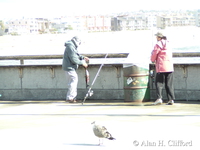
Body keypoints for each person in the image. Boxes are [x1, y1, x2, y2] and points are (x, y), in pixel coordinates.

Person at [62, 36, 89, 103]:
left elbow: (76, 55)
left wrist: (82, 57)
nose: (79, 44)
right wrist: (82, 63)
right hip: (69, 68)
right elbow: (74, 59)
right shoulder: (70, 47)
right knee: (73, 81)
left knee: (73, 81)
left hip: (70, 67)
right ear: (76, 41)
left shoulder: (72, 46)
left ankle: (72, 97)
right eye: (79, 42)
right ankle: (70, 98)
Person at [150, 32, 175, 105]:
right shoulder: (169, 44)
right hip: (169, 66)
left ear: (159, 37)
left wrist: (152, 60)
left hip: (161, 67)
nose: (156, 38)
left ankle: (159, 98)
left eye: (157, 37)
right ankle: (171, 99)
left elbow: (154, 54)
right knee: (169, 84)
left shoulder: (158, 44)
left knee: (159, 83)